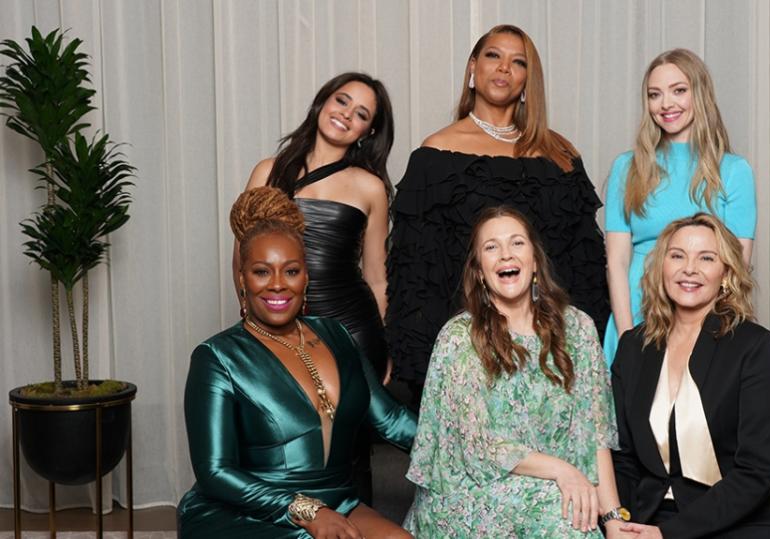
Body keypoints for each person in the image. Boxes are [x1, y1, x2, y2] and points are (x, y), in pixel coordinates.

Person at [386, 24, 609, 405]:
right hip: (472, 346)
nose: (504, 68)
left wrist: (587, 350)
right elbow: (417, 277)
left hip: (551, 346)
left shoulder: (559, 154)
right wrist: (429, 366)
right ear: (472, 68)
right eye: (493, 55)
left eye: (517, 62)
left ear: (527, 81)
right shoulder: (436, 153)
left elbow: (584, 268)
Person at [180, 187, 416, 539]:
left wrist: (465, 444)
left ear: (306, 277)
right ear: (243, 279)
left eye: (290, 271)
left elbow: (391, 420)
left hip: (337, 501)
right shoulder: (217, 357)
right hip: (246, 510)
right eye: (262, 272)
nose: (277, 285)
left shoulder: (336, 335)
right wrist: (306, 510)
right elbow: (215, 473)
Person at [403, 206, 627, 538]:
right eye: (491, 247)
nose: (506, 254)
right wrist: (562, 471)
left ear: (535, 260)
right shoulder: (459, 337)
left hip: (555, 487)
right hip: (468, 494)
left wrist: (613, 519)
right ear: (479, 270)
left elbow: (595, 434)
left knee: (575, 519)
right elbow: (476, 446)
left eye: (517, 243)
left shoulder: (578, 328)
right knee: (565, 520)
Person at [241, 72, 395, 504]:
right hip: (276, 326)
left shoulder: (370, 187)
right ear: (321, 102)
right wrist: (249, 333)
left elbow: (377, 275)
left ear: (369, 131)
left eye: (361, 113)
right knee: (281, 444)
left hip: (350, 331)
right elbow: (243, 260)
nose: (346, 115)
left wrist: (385, 345)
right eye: (341, 101)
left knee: (349, 452)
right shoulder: (269, 172)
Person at [610, 213, 770, 538]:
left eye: (706, 258)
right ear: (661, 268)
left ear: (725, 273)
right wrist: (621, 522)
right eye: (677, 255)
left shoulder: (754, 347)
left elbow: (757, 471)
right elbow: (622, 458)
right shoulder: (633, 347)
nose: (689, 269)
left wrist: (669, 535)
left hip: (736, 518)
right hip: (650, 514)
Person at [604, 49, 757, 365]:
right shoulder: (627, 167)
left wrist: (713, 338)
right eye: (654, 94)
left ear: (699, 94)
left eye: (679, 90)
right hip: (635, 313)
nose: (666, 104)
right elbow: (616, 262)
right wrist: (624, 335)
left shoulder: (733, 171)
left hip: (704, 320)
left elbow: (736, 267)